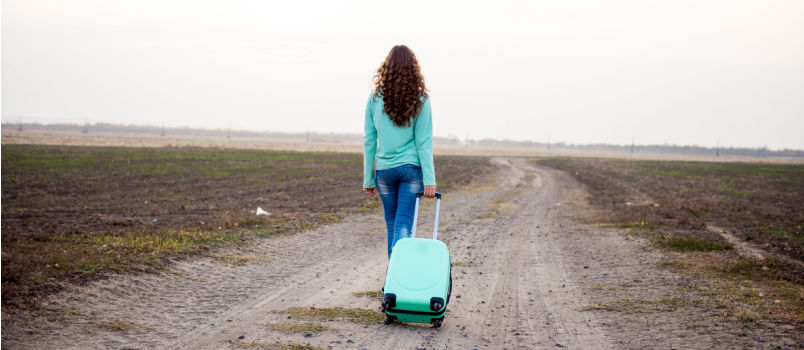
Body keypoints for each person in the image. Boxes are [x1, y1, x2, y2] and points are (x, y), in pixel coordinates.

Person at [363, 45, 436, 259]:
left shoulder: (375, 98)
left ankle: (393, 280)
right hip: (411, 171)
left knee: (393, 224)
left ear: (387, 68)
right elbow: (424, 141)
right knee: (403, 225)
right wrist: (429, 179)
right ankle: (398, 275)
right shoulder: (421, 99)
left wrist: (368, 178)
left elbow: (369, 140)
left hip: (384, 171)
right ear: (414, 69)